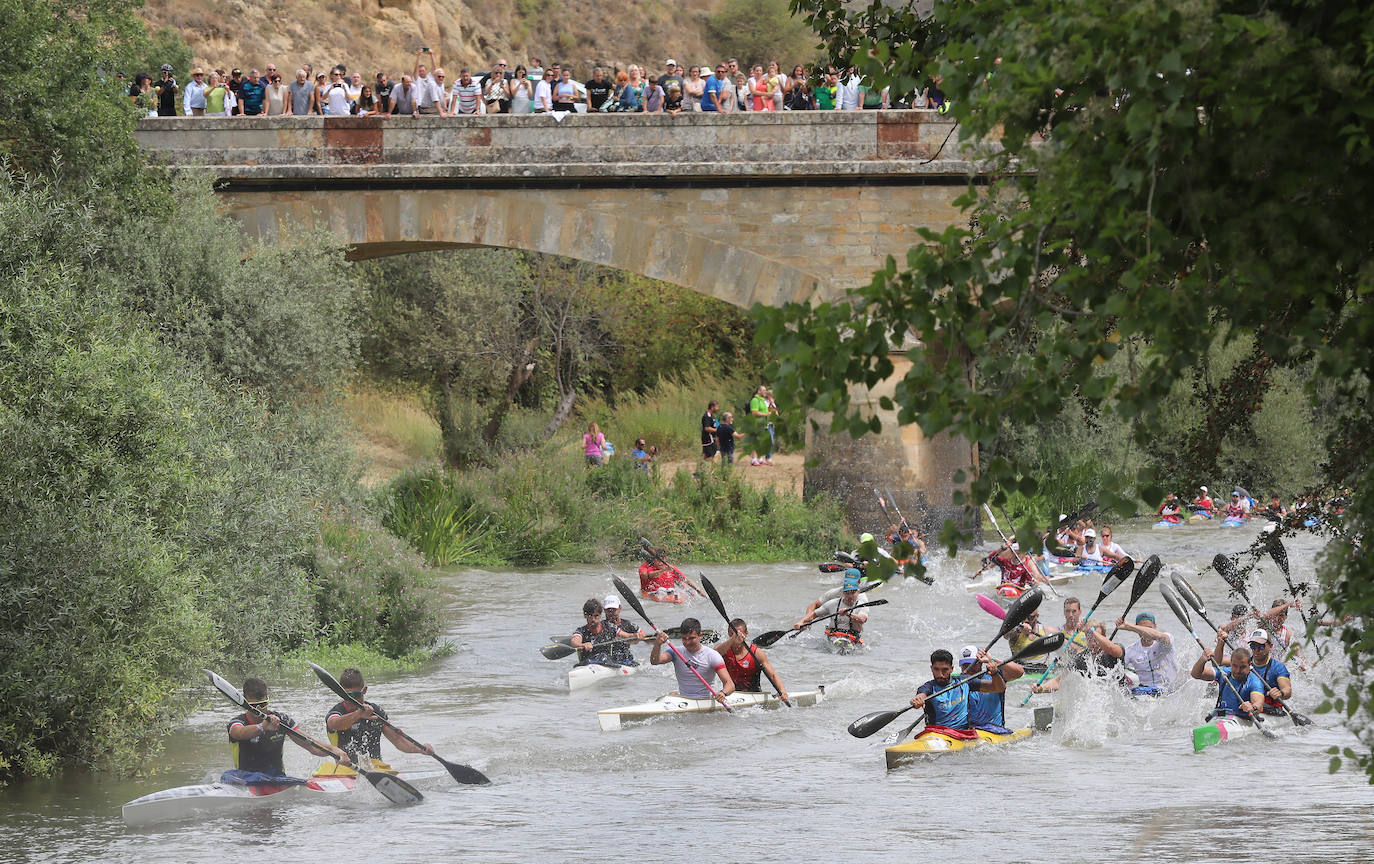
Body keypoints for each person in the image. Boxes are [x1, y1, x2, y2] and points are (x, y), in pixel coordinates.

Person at [226, 677, 349, 777]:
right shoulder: (237, 722)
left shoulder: (282, 720)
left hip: (277, 779)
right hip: (246, 780)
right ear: (245, 702)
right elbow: (240, 733)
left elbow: (312, 746)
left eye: (262, 704)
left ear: (267, 700)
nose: (259, 710)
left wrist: (334, 750)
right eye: (253, 706)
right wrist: (262, 727)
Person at [323, 668, 435, 769]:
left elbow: (398, 740)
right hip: (345, 769)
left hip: (375, 768)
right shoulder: (336, 712)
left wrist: (421, 749)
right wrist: (358, 714)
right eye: (346, 696)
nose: (352, 701)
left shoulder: (376, 711)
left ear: (364, 690)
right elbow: (334, 724)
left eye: (356, 695)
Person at [909, 648, 1007, 732]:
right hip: (936, 734)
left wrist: (995, 673)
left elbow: (998, 688)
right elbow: (921, 695)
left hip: (963, 733)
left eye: (945, 670)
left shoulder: (965, 681)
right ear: (931, 668)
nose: (940, 674)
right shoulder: (928, 687)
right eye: (936, 669)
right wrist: (918, 700)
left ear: (951, 669)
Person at [651, 618, 734, 703]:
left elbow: (730, 684)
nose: (687, 642)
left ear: (700, 636)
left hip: (705, 701)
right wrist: (658, 644)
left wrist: (723, 693)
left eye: (691, 638)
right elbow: (654, 661)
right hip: (684, 701)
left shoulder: (712, 655)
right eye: (684, 638)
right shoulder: (675, 652)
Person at [1219, 627, 1291, 715]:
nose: (1256, 650)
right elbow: (1217, 662)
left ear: (1270, 646)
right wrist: (1220, 642)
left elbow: (1287, 689)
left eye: (1261, 646)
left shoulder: (1278, 667)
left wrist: (1281, 693)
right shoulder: (1244, 662)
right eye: (1253, 646)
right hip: (1248, 706)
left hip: (1270, 709)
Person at [1102, 611, 1178, 693]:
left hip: (1171, 690)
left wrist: (1129, 626)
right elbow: (1115, 671)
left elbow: (1159, 636)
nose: (1146, 632)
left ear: (1155, 627)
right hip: (1146, 693)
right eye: (1142, 629)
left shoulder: (1166, 641)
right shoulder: (1130, 651)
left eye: (1149, 628)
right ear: (1137, 629)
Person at [718, 619, 789, 700]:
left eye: (739, 634)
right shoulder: (724, 650)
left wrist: (782, 691)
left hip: (754, 696)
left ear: (746, 634)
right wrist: (732, 638)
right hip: (730, 695)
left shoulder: (756, 653)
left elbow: (772, 675)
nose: (736, 637)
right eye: (731, 634)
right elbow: (715, 652)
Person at [1190, 644, 1265, 720]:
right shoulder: (1224, 672)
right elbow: (1196, 674)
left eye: (1242, 667)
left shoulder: (1255, 682)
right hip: (1222, 717)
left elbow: (1259, 704)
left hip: (1243, 719)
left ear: (1249, 665)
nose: (1238, 670)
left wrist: (1252, 707)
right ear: (1230, 663)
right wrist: (1202, 660)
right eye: (1235, 666)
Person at [960, 645, 1024, 731]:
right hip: (971, 729)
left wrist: (991, 660)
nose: (970, 668)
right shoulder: (959, 682)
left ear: (981, 663)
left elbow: (1018, 672)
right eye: (965, 665)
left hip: (995, 729)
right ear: (961, 667)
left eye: (973, 664)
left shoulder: (995, 675)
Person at [795, 570, 869, 640]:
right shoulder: (834, 596)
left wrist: (848, 614)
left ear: (858, 583)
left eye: (852, 592)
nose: (849, 595)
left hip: (852, 633)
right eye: (847, 592)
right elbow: (814, 605)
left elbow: (862, 619)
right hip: (834, 632)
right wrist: (805, 621)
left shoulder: (862, 600)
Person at [570, 598, 618, 665]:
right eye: (590, 616)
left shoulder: (609, 627)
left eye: (596, 616)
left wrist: (635, 636)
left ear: (601, 615)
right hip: (587, 664)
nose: (593, 619)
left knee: (604, 657)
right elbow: (574, 642)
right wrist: (582, 645)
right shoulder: (581, 631)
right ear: (585, 615)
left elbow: (626, 636)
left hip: (607, 663)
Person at [602, 595, 643, 664]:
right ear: (604, 610)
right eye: (608, 610)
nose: (611, 612)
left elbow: (645, 636)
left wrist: (656, 638)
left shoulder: (629, 624)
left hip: (626, 660)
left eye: (614, 609)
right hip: (605, 660)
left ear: (620, 608)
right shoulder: (600, 626)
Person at [748, 385, 773, 465]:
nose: (765, 392)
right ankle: (754, 459)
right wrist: (766, 414)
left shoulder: (762, 400)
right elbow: (754, 412)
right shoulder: (755, 400)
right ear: (759, 391)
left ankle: (759, 458)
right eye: (764, 390)